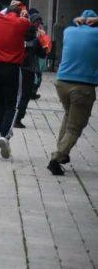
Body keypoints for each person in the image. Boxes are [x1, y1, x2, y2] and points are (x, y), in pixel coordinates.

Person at [47, 11, 98, 175]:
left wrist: (76, 20)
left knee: (69, 115)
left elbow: (74, 26)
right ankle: (57, 157)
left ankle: (62, 152)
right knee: (75, 127)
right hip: (83, 87)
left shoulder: (68, 31)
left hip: (62, 82)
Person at [0, 0, 33, 159]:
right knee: (11, 104)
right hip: (12, 68)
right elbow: (28, 21)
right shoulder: (22, 23)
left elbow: (2, 11)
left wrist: (10, 6)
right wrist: (23, 13)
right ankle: (4, 134)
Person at [14, 12, 48, 128]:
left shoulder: (18, 37)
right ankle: (17, 119)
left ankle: (10, 116)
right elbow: (43, 54)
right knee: (25, 95)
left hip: (15, 67)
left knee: (15, 93)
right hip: (28, 70)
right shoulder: (36, 40)